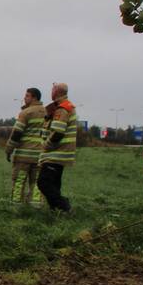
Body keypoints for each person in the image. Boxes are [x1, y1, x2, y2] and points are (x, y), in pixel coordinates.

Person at [36, 82, 78, 212]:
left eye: (53, 89)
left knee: (43, 183)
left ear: (57, 91)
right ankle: (55, 210)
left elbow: (58, 132)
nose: (51, 91)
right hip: (60, 153)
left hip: (56, 153)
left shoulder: (62, 108)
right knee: (54, 184)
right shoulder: (61, 107)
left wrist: (46, 146)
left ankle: (64, 206)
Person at [5, 87, 47, 206]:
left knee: (19, 181)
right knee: (37, 182)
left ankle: (16, 205)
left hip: (24, 157)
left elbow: (16, 133)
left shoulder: (26, 113)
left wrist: (9, 150)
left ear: (34, 97)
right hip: (40, 156)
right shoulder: (47, 112)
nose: (24, 98)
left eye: (27, 96)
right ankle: (36, 205)